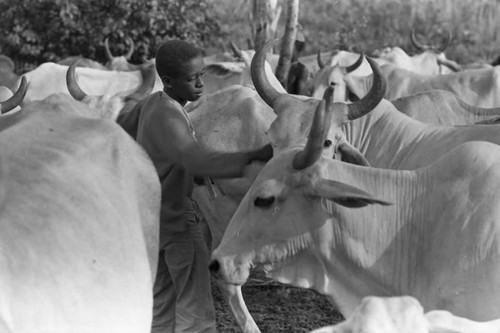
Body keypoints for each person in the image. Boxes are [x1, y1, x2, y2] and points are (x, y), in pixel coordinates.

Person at [131, 39, 273, 333]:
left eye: (201, 76)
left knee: (164, 302)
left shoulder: (155, 105)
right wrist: (255, 155)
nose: (199, 84)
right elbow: (196, 160)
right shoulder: (168, 115)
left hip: (152, 218)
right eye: (191, 78)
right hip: (175, 219)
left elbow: (174, 159)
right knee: (196, 306)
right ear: (168, 81)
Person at [286, 26, 310, 95]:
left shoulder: (301, 70)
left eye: (288, 44)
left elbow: (299, 97)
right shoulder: (277, 64)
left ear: (298, 47)